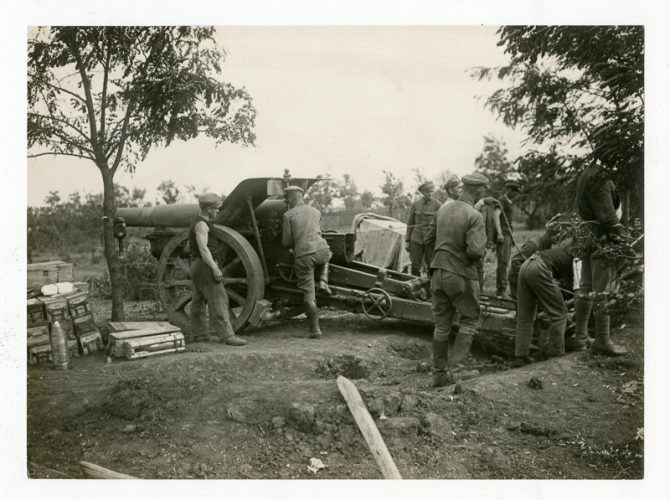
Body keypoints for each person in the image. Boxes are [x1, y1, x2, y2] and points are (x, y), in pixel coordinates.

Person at [424, 173, 488, 387]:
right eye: (483, 190)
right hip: (460, 274)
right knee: (470, 319)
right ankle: (458, 371)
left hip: (437, 272)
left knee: (441, 324)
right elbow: (475, 252)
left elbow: (428, 239)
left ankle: (440, 374)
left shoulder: (443, 210)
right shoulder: (474, 215)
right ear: (478, 191)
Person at [574, 163, 627, 356]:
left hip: (588, 235)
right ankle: (602, 340)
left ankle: (580, 337)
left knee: (586, 287)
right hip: (602, 237)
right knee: (603, 289)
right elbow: (607, 215)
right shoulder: (599, 177)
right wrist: (622, 237)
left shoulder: (587, 172)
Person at [189, 193, 247, 346]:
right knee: (219, 299)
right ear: (208, 208)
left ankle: (199, 334)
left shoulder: (201, 222)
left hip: (198, 265)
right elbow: (203, 248)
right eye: (216, 209)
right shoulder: (201, 224)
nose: (218, 212)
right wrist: (215, 268)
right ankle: (227, 336)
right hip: (205, 264)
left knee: (198, 300)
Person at [282, 185, 333, 339]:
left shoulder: (288, 215)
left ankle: (315, 330)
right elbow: (320, 231)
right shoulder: (316, 211)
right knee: (327, 253)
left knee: (308, 294)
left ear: (293, 197)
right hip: (322, 251)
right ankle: (324, 280)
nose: (287, 201)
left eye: (287, 198)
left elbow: (286, 242)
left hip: (304, 256)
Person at [513, 242, 575, 366]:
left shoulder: (564, 250)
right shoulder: (579, 258)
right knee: (559, 313)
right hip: (540, 267)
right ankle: (555, 355)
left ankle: (521, 356)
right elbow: (578, 288)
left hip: (527, 264)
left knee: (525, 315)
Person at [406, 181, 442, 276]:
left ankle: (430, 288)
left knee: (431, 266)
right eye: (427, 192)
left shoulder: (437, 205)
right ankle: (415, 286)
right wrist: (407, 240)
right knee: (415, 266)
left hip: (430, 241)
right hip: (416, 240)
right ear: (422, 193)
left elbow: (441, 224)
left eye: (431, 192)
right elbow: (410, 223)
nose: (430, 194)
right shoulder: (416, 204)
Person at [492, 179, 521, 299]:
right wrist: (499, 233)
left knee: (506, 261)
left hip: (508, 234)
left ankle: (503, 288)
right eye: (513, 191)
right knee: (503, 262)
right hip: (503, 235)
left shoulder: (509, 201)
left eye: (516, 192)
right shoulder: (502, 200)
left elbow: (508, 220)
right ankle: (501, 290)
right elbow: (496, 215)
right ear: (508, 189)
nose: (515, 194)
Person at [508, 229, 554, 301]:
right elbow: (515, 261)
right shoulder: (532, 245)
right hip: (517, 280)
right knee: (522, 308)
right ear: (552, 237)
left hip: (527, 281)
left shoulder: (545, 246)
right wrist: (530, 275)